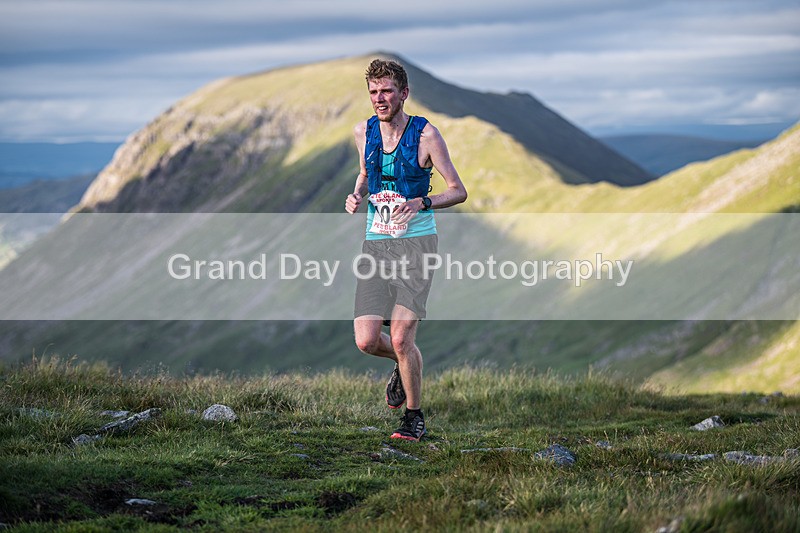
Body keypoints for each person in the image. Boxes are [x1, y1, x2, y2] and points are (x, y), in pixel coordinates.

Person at [345, 58, 468, 441]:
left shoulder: (427, 135)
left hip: (416, 245)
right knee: (366, 340)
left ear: (404, 93)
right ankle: (403, 363)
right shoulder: (362, 132)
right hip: (376, 245)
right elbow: (366, 173)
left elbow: (458, 190)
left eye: (387, 91)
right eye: (373, 93)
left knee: (401, 338)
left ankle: (414, 419)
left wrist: (424, 202)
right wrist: (356, 195)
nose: (379, 99)